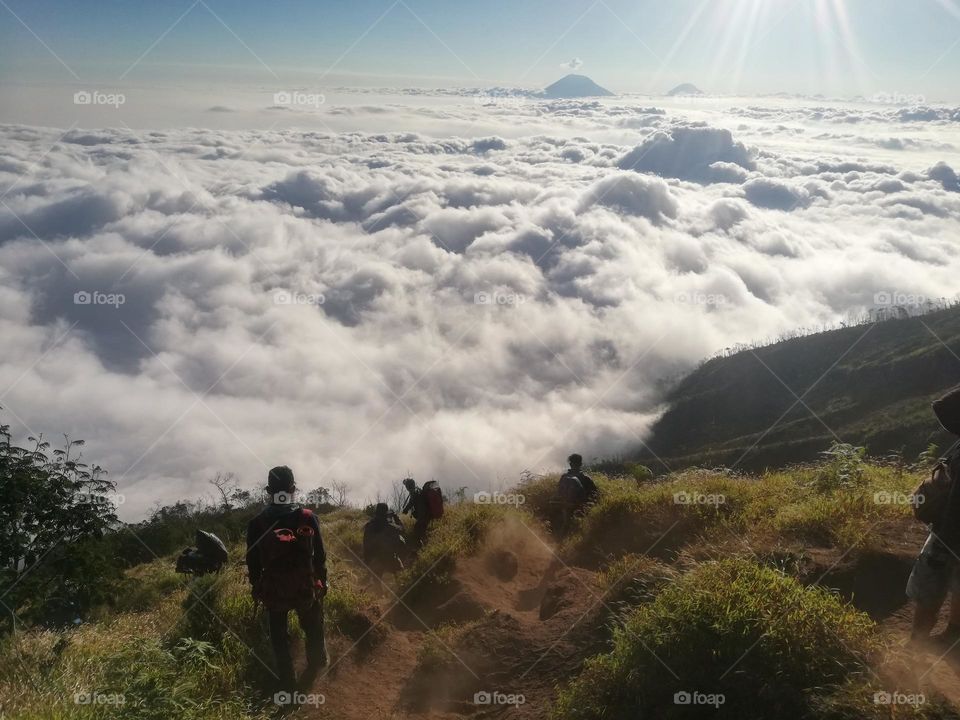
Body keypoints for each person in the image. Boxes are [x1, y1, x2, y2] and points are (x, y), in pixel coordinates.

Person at [246, 466, 328, 690]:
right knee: (313, 626)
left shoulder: (256, 524)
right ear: (292, 489)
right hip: (305, 586)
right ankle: (317, 666)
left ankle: (288, 683)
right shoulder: (308, 517)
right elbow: (320, 556)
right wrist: (323, 582)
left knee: (279, 639)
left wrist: (257, 586)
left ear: (268, 491)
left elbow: (252, 562)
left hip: (274, 590)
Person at [908, 387, 960, 648]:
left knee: (929, 586)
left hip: (949, 533)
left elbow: (942, 405)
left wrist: (944, 540)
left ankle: (917, 644)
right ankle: (953, 636)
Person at [557, 453, 599, 535]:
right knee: (580, 529)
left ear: (570, 464)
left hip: (566, 506)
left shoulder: (564, 477)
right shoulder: (586, 478)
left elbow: (559, 492)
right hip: (581, 508)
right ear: (581, 464)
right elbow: (595, 494)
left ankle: (560, 540)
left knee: (566, 526)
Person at [363, 502, 406, 579]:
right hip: (388, 558)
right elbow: (402, 529)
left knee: (376, 580)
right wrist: (395, 517)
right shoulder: (390, 526)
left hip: (372, 559)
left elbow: (365, 543)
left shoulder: (369, 525)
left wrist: (367, 560)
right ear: (386, 513)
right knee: (401, 575)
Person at [401, 477, 430, 547]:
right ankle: (425, 545)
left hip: (422, 515)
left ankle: (423, 546)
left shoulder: (414, 492)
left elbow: (411, 503)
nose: (406, 488)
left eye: (406, 486)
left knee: (417, 530)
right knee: (422, 530)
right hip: (427, 513)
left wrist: (405, 510)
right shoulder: (418, 490)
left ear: (408, 486)